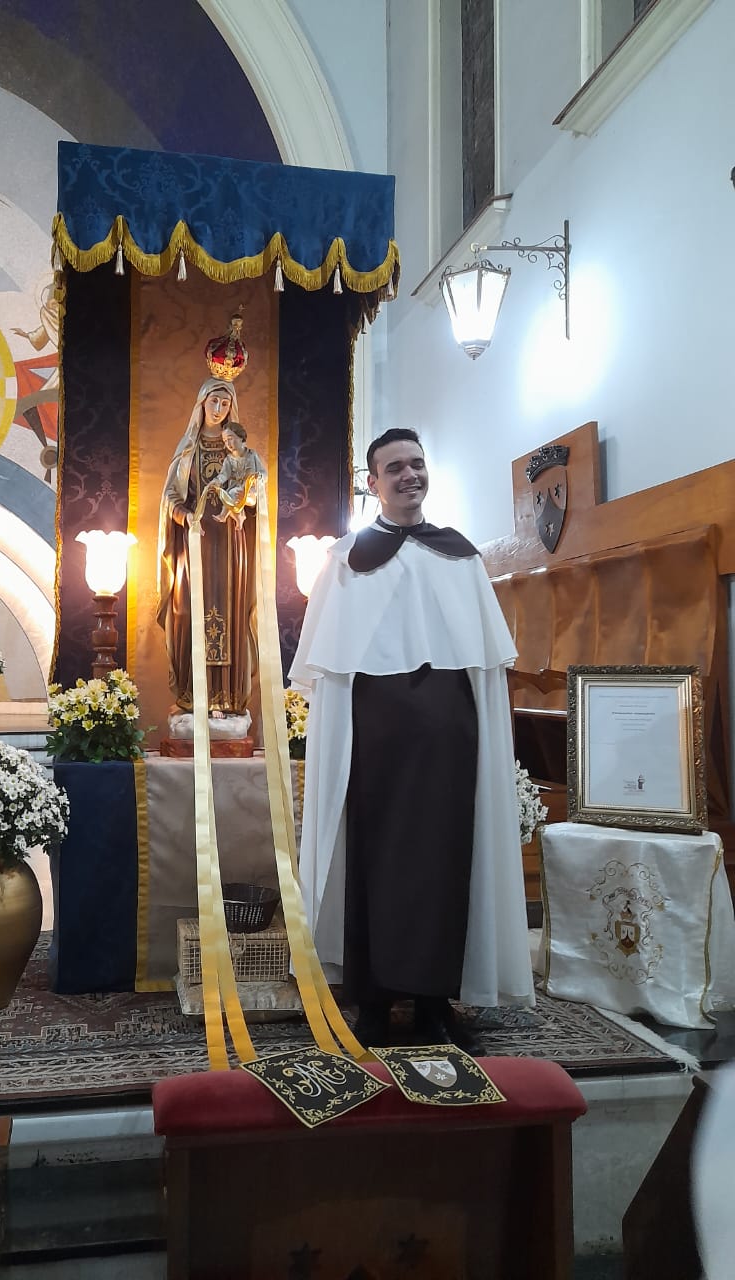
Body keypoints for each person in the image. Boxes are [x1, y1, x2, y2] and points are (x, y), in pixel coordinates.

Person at [289, 427, 535, 1048]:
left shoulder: (460, 556)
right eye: (394, 467)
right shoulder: (347, 559)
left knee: (445, 863)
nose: (409, 475)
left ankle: (434, 1005)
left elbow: (485, 666)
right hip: (376, 739)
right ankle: (373, 1003)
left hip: (450, 741)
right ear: (373, 483)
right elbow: (327, 673)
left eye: (417, 465)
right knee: (375, 862)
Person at [157, 377, 259, 718]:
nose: (218, 409)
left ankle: (228, 696)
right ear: (201, 403)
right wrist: (186, 517)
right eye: (213, 402)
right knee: (187, 611)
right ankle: (193, 695)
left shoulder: (240, 451)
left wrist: (246, 500)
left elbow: (254, 492)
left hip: (230, 545)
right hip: (195, 544)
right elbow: (170, 496)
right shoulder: (189, 450)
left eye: (225, 404)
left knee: (231, 612)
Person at [211, 423, 266, 527]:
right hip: (235, 490)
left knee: (235, 495)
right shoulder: (229, 459)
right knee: (229, 495)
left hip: (250, 491)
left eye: (230, 438)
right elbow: (224, 475)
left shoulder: (252, 455)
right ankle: (237, 517)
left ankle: (225, 515)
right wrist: (216, 481)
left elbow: (264, 473)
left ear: (240, 437)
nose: (228, 443)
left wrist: (259, 476)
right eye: (225, 441)